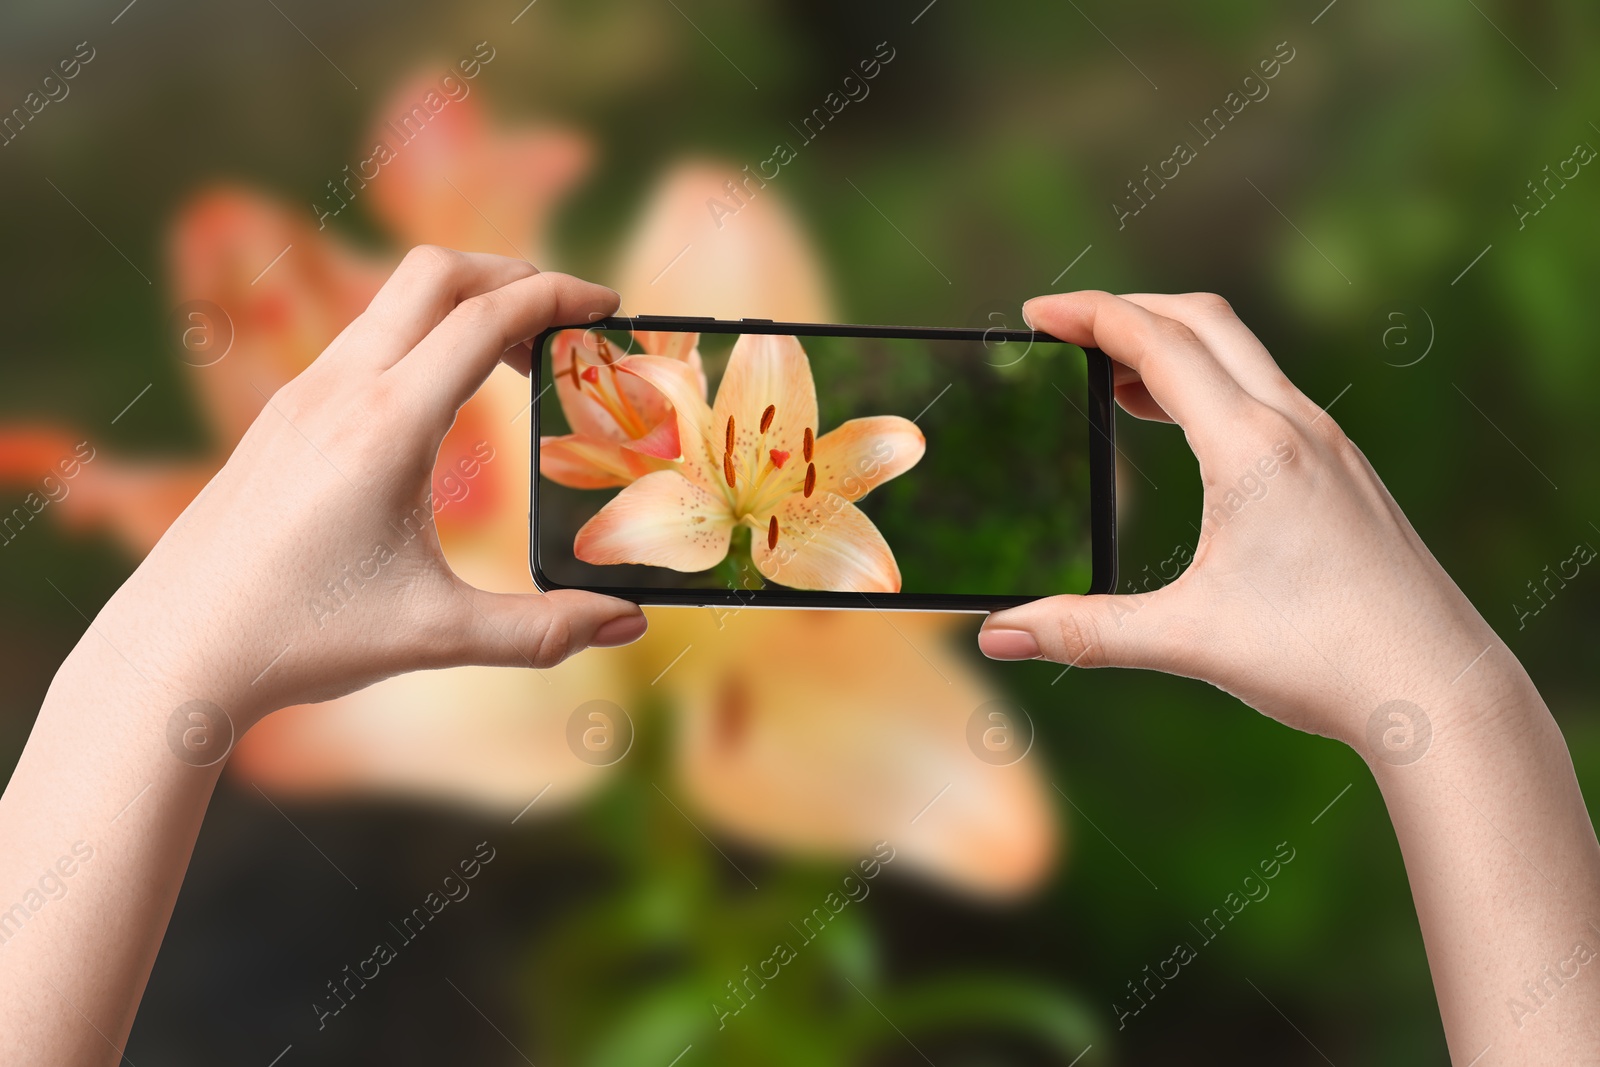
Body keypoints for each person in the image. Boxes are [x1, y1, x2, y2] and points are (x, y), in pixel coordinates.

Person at [0, 249, 1594, 1064]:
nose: (772, 437)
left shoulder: (763, 500)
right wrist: (1450, 707)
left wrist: (144, 681)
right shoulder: (736, 499)